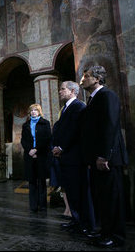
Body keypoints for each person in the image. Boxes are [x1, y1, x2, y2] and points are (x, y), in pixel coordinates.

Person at [79, 65, 128, 248]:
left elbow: (110, 126)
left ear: (97, 79)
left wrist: (103, 155)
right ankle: (105, 232)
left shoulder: (107, 96)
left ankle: (116, 237)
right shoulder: (93, 99)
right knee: (103, 199)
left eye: (86, 76)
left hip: (107, 159)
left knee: (112, 199)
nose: (82, 80)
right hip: (98, 160)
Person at [52, 81, 96, 236]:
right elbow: (59, 129)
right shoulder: (65, 108)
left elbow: (74, 130)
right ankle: (76, 220)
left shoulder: (78, 106)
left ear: (72, 91)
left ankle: (86, 224)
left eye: (62, 89)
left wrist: (61, 147)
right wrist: (55, 146)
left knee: (80, 192)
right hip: (66, 158)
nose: (60, 91)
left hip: (75, 157)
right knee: (71, 191)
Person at [20, 104, 52, 213]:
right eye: (31, 110)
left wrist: (37, 150)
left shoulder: (45, 123)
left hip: (41, 155)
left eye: (35, 110)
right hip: (29, 155)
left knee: (41, 182)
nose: (33, 112)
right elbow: (23, 140)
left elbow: (47, 139)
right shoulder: (26, 125)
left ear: (39, 112)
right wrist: (30, 150)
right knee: (32, 182)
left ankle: (42, 206)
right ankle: (33, 206)